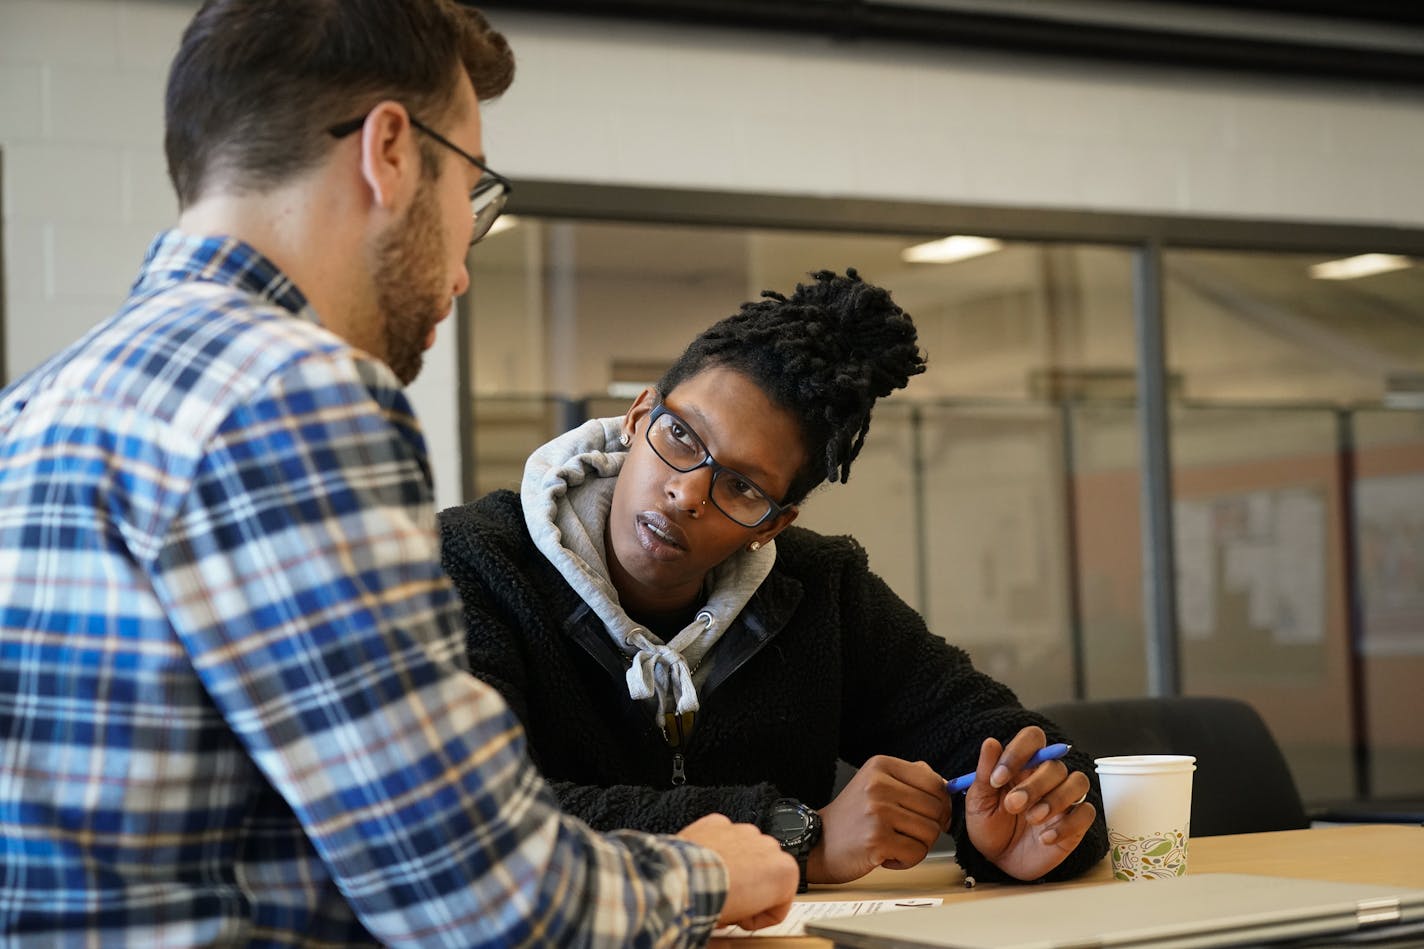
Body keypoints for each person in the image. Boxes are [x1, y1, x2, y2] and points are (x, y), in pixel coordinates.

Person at [0, 0, 797, 944]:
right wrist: (711, 870)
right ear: (388, 149)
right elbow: (480, 893)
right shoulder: (294, 393)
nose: (461, 268)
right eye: (472, 194)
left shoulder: (38, 403)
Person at [439, 269, 1110, 892]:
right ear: (638, 417)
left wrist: (1016, 831)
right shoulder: (472, 565)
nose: (687, 493)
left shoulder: (820, 590)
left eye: (740, 485)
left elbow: (1013, 744)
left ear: (773, 522)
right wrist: (798, 836)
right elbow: (477, 822)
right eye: (679, 436)